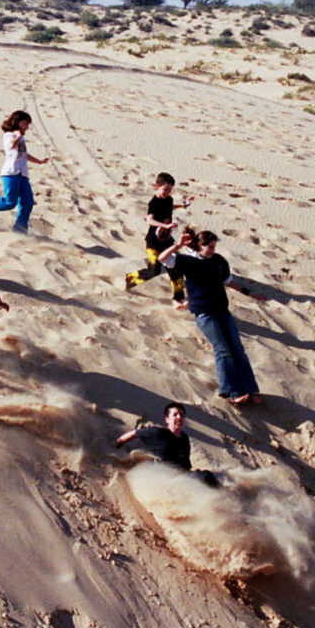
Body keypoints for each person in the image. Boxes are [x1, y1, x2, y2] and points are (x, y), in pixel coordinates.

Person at [158, 229, 264, 405]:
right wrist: (177, 246)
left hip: (223, 311)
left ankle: (250, 390)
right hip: (204, 313)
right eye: (209, 246)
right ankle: (231, 392)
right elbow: (163, 258)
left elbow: (228, 281)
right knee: (222, 350)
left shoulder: (219, 261)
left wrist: (250, 293)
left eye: (214, 246)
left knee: (238, 349)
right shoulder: (188, 262)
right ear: (200, 245)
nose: (212, 250)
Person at [124, 172, 194, 308]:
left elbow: (170, 207)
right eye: (165, 189)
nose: (167, 192)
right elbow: (150, 219)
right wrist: (165, 225)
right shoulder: (153, 203)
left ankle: (178, 298)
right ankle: (130, 278)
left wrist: (184, 205)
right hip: (153, 243)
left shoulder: (169, 199)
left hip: (167, 241)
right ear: (157, 186)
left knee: (175, 268)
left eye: (170, 190)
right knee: (154, 270)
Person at [113, 402, 218, 487]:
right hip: (166, 476)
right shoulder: (158, 433)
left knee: (207, 476)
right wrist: (118, 443)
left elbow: (186, 463)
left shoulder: (184, 438)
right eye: (175, 414)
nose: (179, 417)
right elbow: (134, 433)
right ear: (167, 419)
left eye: (181, 415)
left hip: (183, 475)